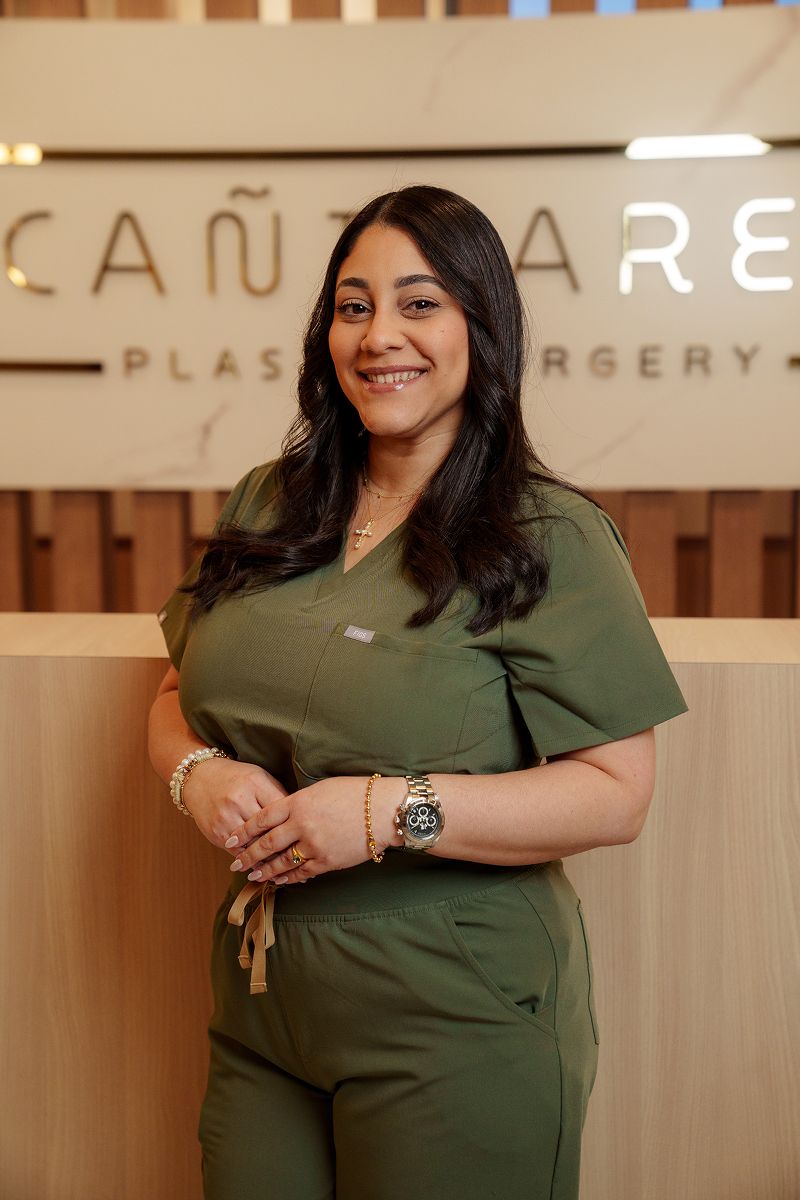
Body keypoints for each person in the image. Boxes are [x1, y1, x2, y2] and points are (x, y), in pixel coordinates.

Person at [147, 184, 688, 1200]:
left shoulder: (549, 536)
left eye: (418, 302)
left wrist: (385, 811)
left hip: (457, 1007)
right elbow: (176, 692)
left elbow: (616, 792)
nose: (379, 336)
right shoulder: (272, 501)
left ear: (481, 327)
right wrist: (196, 775)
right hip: (262, 1003)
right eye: (352, 307)